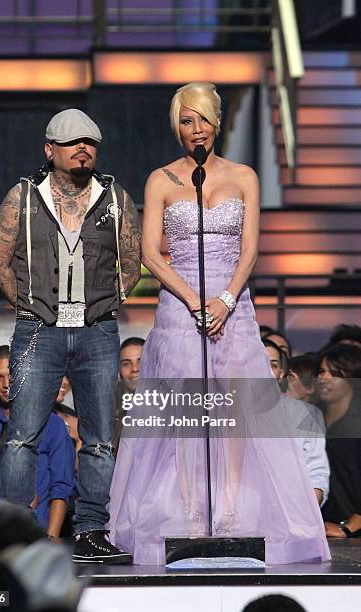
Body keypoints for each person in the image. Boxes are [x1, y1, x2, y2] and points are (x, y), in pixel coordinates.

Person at [109, 82, 330, 565]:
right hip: (178, 304)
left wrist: (226, 300)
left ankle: (228, 510)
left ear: (217, 124)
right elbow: (150, 254)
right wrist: (193, 301)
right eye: (186, 121)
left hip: (233, 305)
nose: (195, 130)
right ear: (176, 127)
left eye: (202, 120)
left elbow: (250, 247)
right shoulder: (161, 179)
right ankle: (190, 510)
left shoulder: (244, 176)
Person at [0, 108, 141, 563]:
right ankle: (15, 533)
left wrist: (107, 303)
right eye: (73, 142)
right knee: (20, 436)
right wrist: (30, 305)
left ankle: (91, 529)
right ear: (49, 150)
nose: (83, 149)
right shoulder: (23, 196)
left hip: (97, 330)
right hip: (38, 329)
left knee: (98, 438)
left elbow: (131, 263)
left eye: (90, 142)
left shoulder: (114, 198)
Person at [0, 345, 76, 537]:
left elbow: (61, 485)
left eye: (11, 375)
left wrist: (51, 537)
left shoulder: (52, 424)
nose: (6, 384)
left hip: (38, 532)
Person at [263, 338, 329, 507]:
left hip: (293, 519)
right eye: (257, 361)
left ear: (281, 374)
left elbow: (317, 473)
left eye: (273, 365)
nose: (264, 370)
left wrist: (302, 515)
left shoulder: (306, 414)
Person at [317, 343, 361, 537]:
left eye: (335, 373)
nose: (324, 378)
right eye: (321, 371)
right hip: (318, 530)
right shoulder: (311, 418)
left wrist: (347, 527)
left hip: (351, 537)